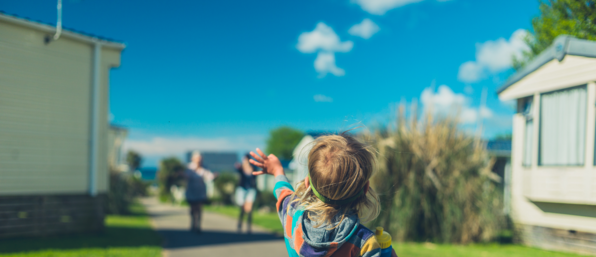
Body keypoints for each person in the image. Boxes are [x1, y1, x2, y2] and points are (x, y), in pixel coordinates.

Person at [249, 133, 398, 257]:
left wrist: (277, 172)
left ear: (307, 183)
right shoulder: (365, 243)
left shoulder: (292, 213)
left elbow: (283, 192)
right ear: (365, 189)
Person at [184, 151, 215, 233]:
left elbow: (209, 176)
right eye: (197, 158)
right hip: (191, 190)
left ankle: (198, 225)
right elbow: (186, 177)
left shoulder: (204, 167)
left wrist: (214, 176)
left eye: (200, 158)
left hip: (200, 191)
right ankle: (193, 223)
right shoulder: (189, 167)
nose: (199, 160)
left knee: (199, 208)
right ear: (193, 159)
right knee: (193, 209)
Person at [234, 153, 258, 233]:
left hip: (251, 189)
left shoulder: (253, 168)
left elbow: (255, 175)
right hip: (242, 189)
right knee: (242, 208)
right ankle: (239, 225)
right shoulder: (241, 168)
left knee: (249, 209)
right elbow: (237, 170)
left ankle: (248, 227)